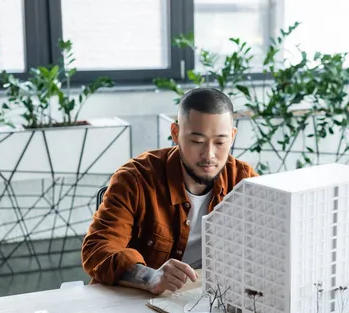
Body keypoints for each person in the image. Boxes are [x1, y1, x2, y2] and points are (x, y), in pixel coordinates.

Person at [81, 87, 258, 295]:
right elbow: (97, 250)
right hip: (136, 301)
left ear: (233, 137)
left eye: (220, 142)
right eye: (197, 141)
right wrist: (151, 277)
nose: (209, 155)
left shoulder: (243, 180)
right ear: (176, 133)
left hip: (208, 298)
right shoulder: (135, 179)